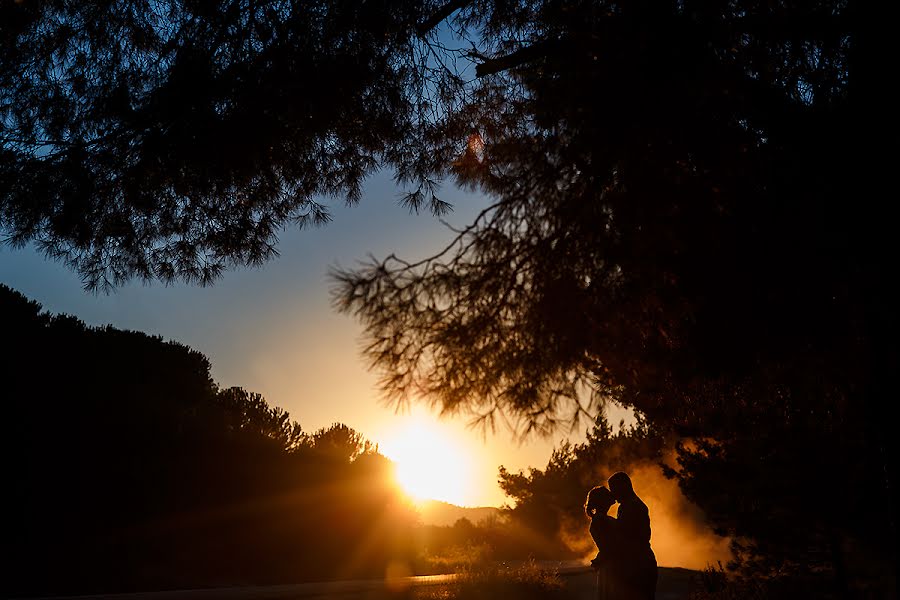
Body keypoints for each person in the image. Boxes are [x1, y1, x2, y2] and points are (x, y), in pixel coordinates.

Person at [608, 471, 658, 600]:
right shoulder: (632, 505)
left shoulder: (631, 506)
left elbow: (627, 534)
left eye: (613, 489)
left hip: (638, 564)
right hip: (641, 561)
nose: (612, 495)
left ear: (623, 487)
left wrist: (607, 522)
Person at [584, 485, 621, 600]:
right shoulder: (601, 520)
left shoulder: (601, 519)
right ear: (603, 502)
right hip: (611, 568)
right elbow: (608, 548)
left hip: (609, 566)